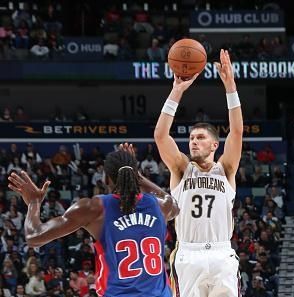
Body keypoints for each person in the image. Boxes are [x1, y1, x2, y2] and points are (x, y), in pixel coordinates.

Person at [8, 143, 179, 297]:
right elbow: (174, 205)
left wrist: (34, 203)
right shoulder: (160, 206)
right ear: (135, 174)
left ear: (106, 179)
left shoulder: (94, 208)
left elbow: (34, 237)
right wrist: (140, 177)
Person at [154, 49, 243, 297]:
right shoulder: (182, 169)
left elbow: (236, 133)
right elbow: (161, 136)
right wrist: (177, 91)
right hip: (188, 254)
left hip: (221, 253)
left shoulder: (225, 169)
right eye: (191, 138)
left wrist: (230, 87)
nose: (193, 141)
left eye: (200, 138)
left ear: (215, 145)